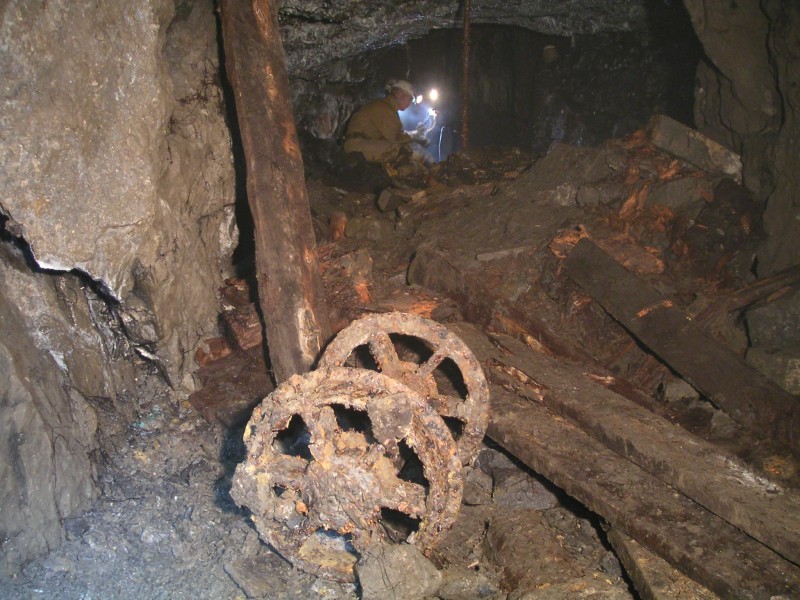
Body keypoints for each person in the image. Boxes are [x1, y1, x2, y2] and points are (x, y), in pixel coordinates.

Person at [344, 79, 424, 165]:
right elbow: (396, 137)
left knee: (404, 149)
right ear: (399, 93)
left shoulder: (387, 107)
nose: (410, 103)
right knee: (401, 150)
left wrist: (414, 136)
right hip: (356, 145)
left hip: (363, 142)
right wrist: (415, 135)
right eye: (410, 99)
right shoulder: (384, 107)